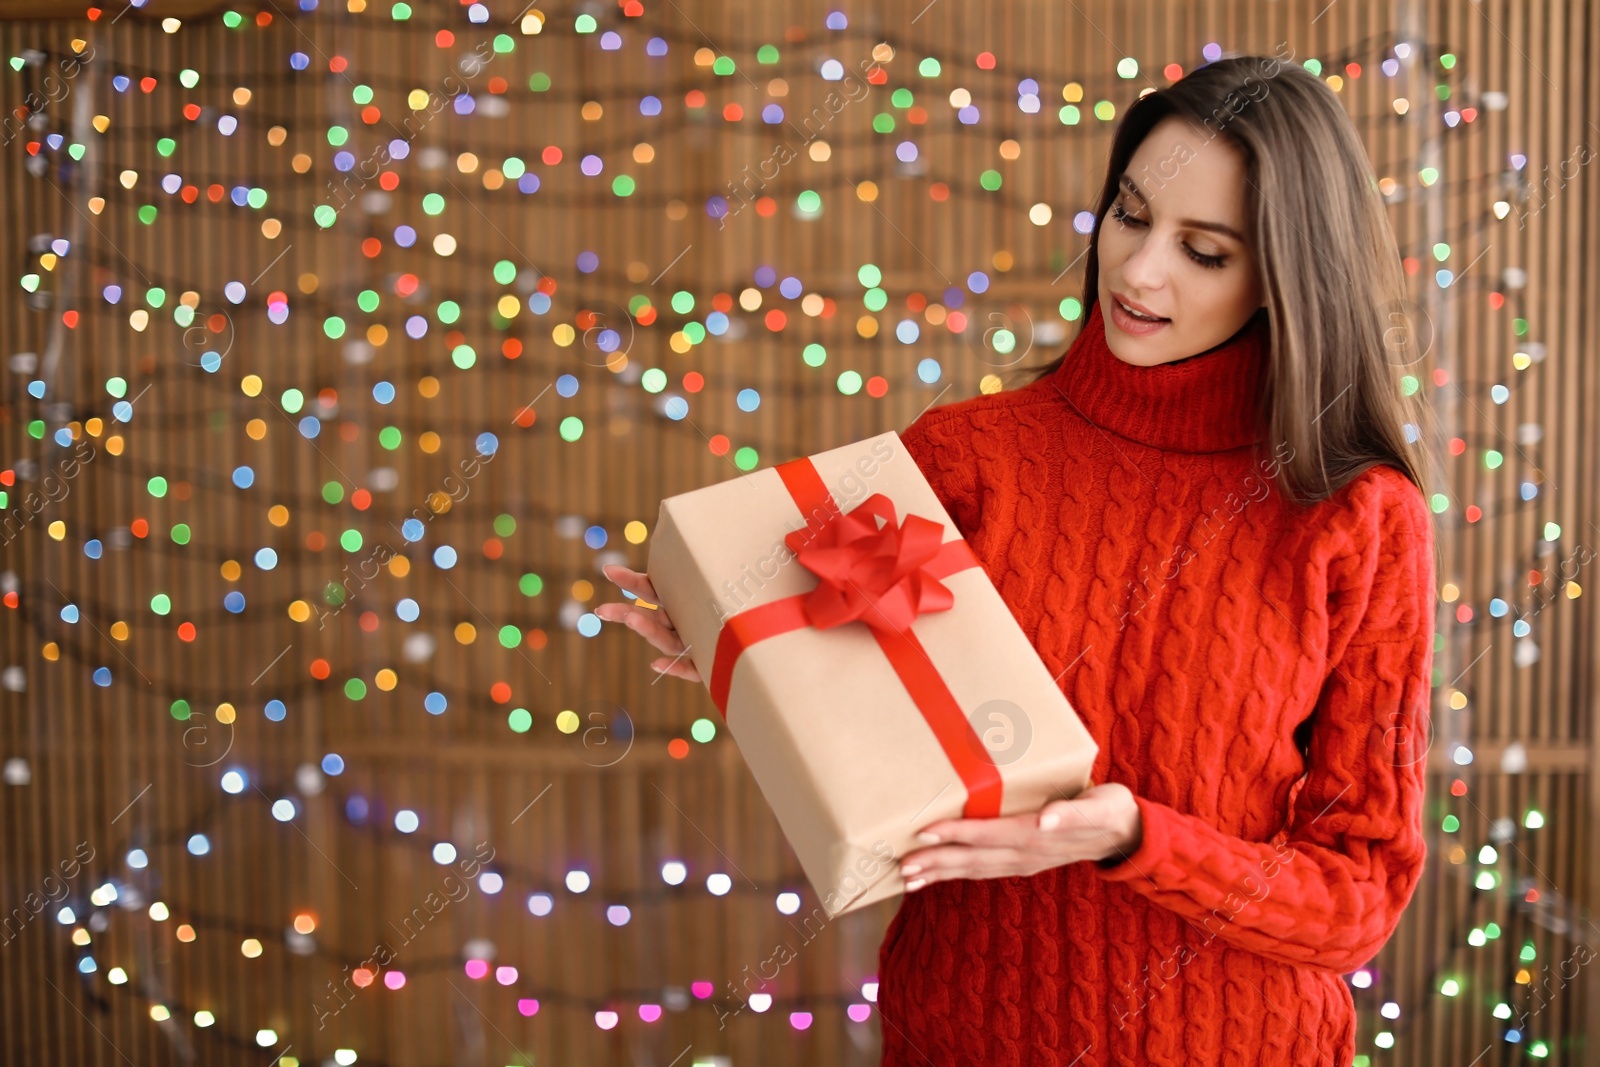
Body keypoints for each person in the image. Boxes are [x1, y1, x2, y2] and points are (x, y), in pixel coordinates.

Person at [598, 54, 1438, 1067]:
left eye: (1203, 251)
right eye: (1130, 216)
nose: (1137, 271)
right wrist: (756, 643)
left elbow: (1358, 896)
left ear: (1283, 276)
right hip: (963, 1029)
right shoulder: (964, 455)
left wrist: (1134, 839)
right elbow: (886, 727)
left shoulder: (1355, 515)